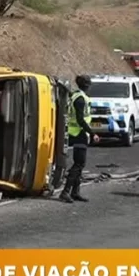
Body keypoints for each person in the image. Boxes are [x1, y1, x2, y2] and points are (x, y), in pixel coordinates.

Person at [61, 75, 100, 203]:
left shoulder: (77, 96)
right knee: (79, 164)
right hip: (79, 133)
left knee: (80, 164)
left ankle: (75, 192)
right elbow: (80, 119)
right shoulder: (80, 99)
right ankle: (65, 192)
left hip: (78, 132)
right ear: (87, 85)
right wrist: (92, 133)